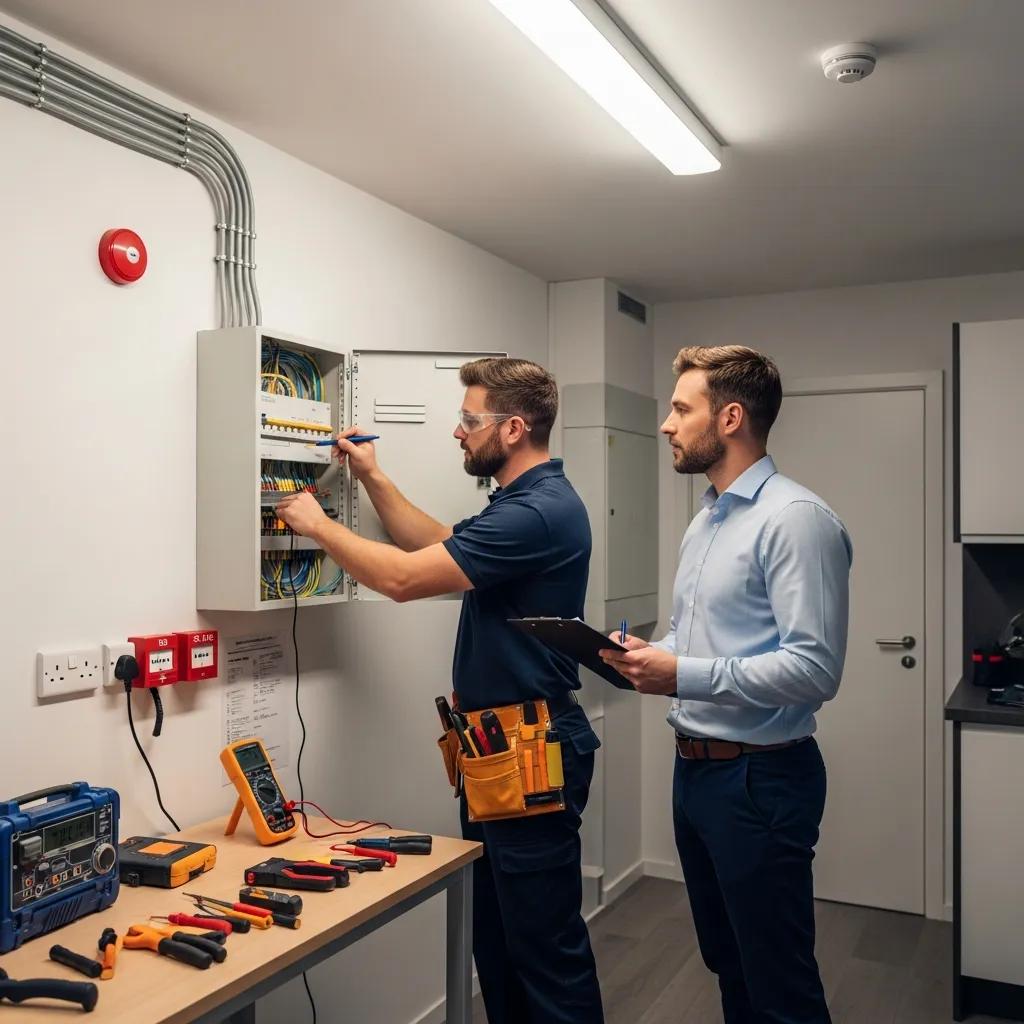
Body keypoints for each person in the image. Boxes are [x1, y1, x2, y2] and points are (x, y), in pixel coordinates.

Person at [276, 356, 604, 1024]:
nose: (459, 432)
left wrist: (317, 525)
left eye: (469, 419)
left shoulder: (537, 513)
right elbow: (441, 545)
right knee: (502, 944)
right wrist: (371, 478)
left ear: (512, 429)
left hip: (529, 754)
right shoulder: (523, 504)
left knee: (543, 952)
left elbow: (402, 579)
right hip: (498, 753)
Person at [600, 345, 852, 1024]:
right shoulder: (708, 518)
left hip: (761, 782)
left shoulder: (795, 520)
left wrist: (680, 672)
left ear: (732, 417)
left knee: (779, 982)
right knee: (730, 964)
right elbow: (699, 634)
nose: (666, 424)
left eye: (682, 408)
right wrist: (651, 655)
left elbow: (813, 669)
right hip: (697, 777)